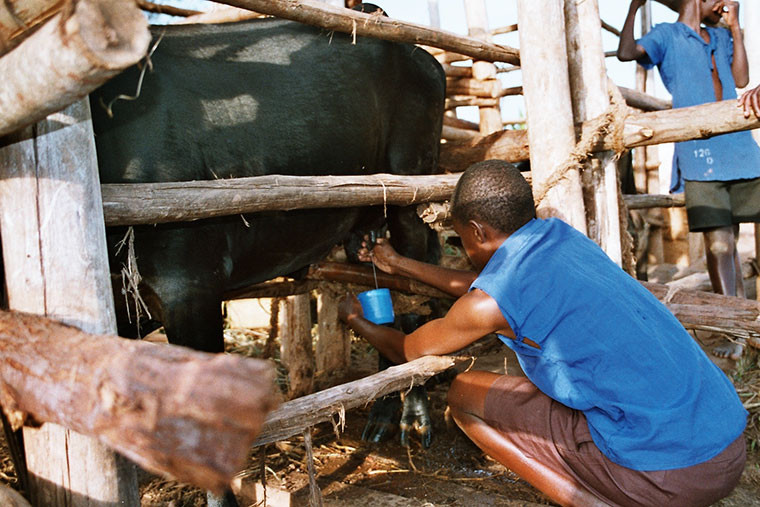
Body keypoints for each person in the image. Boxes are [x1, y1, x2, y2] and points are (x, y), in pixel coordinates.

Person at [339, 160, 747, 506]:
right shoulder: (562, 239)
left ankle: (591, 501)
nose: (464, 249)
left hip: (669, 477)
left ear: (478, 231)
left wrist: (357, 320)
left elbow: (413, 348)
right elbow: (486, 283)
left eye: (462, 239)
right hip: (727, 443)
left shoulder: (490, 302)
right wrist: (401, 264)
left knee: (462, 395)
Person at [618, 0, 760, 360]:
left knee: (754, 243)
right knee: (719, 247)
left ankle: (754, 328)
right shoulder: (665, 35)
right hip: (700, 156)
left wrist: (736, 27)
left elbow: (741, 79)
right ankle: (735, 329)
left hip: (742, 149)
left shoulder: (720, 36)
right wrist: (635, 7)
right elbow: (625, 53)